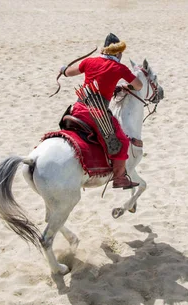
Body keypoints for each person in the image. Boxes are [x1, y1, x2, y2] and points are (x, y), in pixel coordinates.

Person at [59, 33, 143, 189]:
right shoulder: (119, 68)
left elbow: (69, 72)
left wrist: (63, 70)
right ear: (118, 52)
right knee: (123, 141)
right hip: (97, 113)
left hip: (77, 108)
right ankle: (119, 178)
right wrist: (126, 86)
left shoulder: (89, 61)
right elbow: (138, 86)